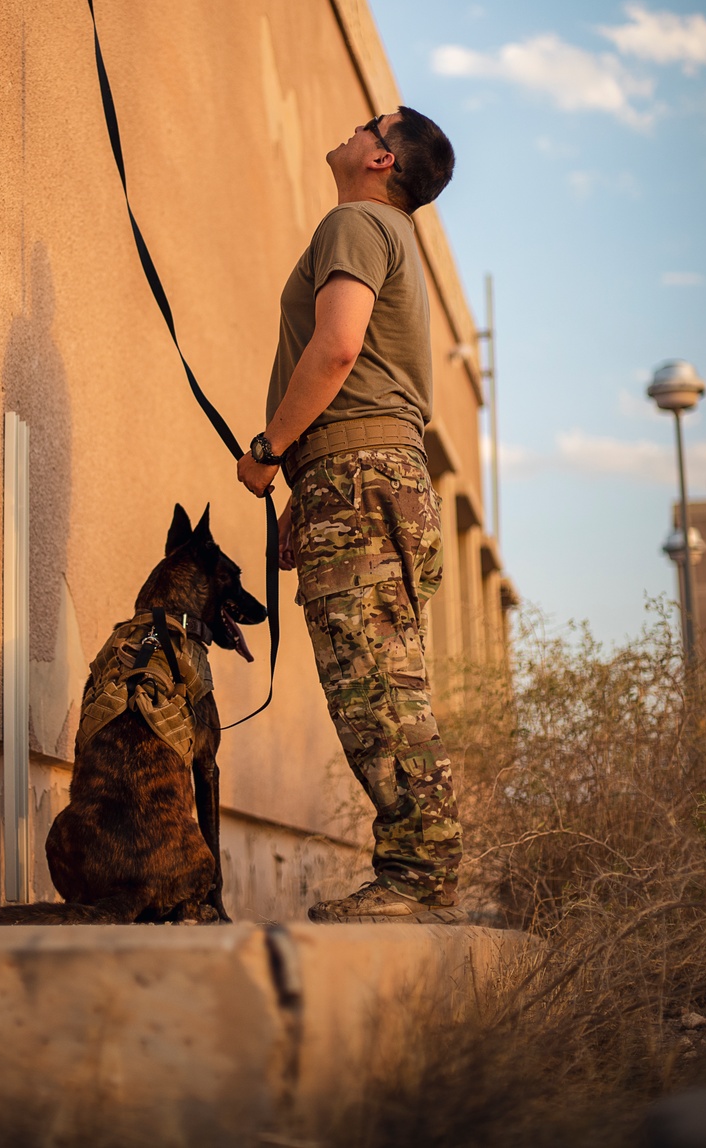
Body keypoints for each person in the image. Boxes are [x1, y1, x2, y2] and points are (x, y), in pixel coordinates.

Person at [237, 107, 465, 923]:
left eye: (367, 124)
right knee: (384, 681)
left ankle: (419, 877)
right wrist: (309, 479)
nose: (349, 126)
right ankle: (422, 870)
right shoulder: (385, 228)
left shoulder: (359, 221)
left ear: (381, 158)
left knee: (376, 688)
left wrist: (269, 449)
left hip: (359, 480)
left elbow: (337, 349)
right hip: (371, 477)